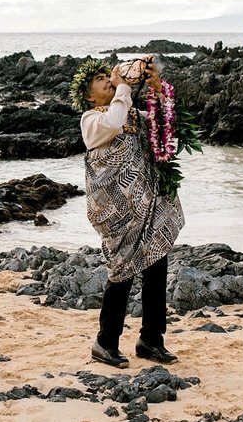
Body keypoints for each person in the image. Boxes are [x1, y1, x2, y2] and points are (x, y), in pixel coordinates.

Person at [69, 56, 184, 369]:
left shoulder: (128, 108)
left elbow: (165, 124)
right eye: (100, 80)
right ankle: (105, 343)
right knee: (121, 270)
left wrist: (155, 83)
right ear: (91, 96)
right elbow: (114, 122)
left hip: (146, 202)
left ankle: (151, 340)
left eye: (108, 76)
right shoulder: (91, 120)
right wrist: (123, 87)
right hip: (116, 210)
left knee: (157, 263)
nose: (108, 79)